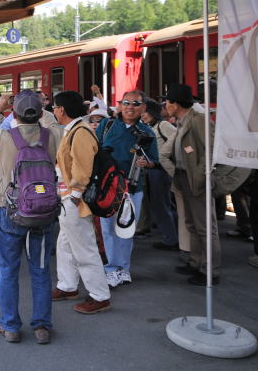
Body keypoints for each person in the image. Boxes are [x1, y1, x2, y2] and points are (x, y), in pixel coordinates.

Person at [0, 90, 62, 344]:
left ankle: (11, 326)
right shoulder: (53, 135)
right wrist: (40, 108)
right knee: (40, 269)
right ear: (40, 112)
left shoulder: (5, 137)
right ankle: (42, 326)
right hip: (44, 209)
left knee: (8, 269)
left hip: (10, 208)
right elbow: (51, 122)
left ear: (13, 113)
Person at [51, 91, 111, 315]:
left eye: (55, 108)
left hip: (74, 200)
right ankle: (67, 285)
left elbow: (82, 168)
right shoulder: (77, 130)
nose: (54, 111)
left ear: (62, 110)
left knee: (84, 249)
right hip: (68, 198)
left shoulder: (81, 132)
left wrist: (74, 196)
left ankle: (100, 295)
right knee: (65, 245)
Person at [95, 90, 159, 288]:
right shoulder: (107, 125)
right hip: (107, 186)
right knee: (107, 229)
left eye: (135, 104)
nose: (130, 107)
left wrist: (145, 163)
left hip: (133, 187)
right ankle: (111, 269)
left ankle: (123, 269)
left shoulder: (147, 133)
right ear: (120, 105)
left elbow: (154, 161)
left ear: (143, 108)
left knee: (126, 229)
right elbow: (93, 151)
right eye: (126, 103)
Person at [163, 83, 221, 285]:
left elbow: (211, 148)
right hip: (183, 176)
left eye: (167, 101)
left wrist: (201, 173)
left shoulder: (199, 120)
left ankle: (210, 270)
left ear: (175, 104)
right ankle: (196, 263)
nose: (165, 104)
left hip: (194, 178)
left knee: (204, 226)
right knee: (192, 224)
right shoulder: (184, 120)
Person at [141, 98, 180, 251]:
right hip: (153, 169)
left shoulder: (163, 125)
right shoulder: (148, 126)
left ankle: (171, 239)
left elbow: (177, 140)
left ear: (152, 112)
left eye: (145, 112)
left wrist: (161, 160)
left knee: (161, 204)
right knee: (163, 203)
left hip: (161, 170)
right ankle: (173, 236)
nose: (143, 115)